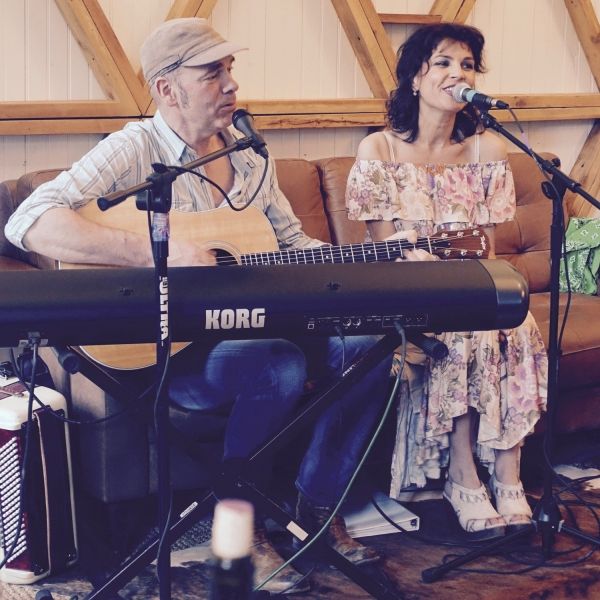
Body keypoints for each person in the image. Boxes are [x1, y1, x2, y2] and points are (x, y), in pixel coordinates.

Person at [5, 18, 393, 593]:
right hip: (170, 348)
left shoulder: (250, 154)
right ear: (168, 88)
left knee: (369, 345)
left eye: (230, 69)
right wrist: (158, 251)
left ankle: (317, 508)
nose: (231, 83)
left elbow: (291, 246)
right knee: (275, 361)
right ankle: (239, 526)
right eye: (212, 72)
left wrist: (381, 258)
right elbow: (28, 221)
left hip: (255, 322)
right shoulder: (135, 148)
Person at [345, 23, 548, 541]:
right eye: (443, 62)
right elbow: (385, 251)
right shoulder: (378, 151)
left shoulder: (487, 152)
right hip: (405, 290)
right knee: (458, 329)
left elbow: (487, 252)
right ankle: (462, 475)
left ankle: (508, 475)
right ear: (415, 78)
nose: (458, 74)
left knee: (515, 323)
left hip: (468, 284)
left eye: (467, 65)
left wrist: (478, 290)